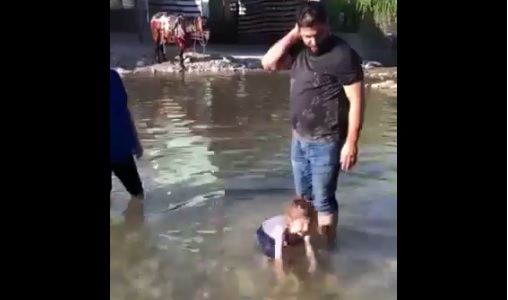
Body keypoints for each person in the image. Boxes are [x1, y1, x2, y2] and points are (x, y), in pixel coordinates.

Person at [261, 2, 365, 248]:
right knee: (303, 200)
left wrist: (351, 143)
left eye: (318, 34)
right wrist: (295, 35)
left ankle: (329, 246)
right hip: (299, 139)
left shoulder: (343, 55)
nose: (314, 42)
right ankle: (308, 242)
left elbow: (357, 101)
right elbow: (268, 63)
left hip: (327, 142)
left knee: (323, 200)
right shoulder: (298, 48)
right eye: (308, 36)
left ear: (328, 27)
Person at [255, 197, 318, 281]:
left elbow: (310, 252)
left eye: (308, 223)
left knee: (297, 252)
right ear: (290, 222)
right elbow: (278, 258)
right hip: (266, 234)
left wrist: (313, 268)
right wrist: (282, 277)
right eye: (302, 224)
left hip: (288, 232)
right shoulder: (279, 229)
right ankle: (267, 260)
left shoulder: (303, 230)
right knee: (274, 253)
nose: (306, 228)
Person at [110, 69, 144, 204]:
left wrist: (136, 141)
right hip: (120, 147)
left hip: (121, 147)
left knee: (138, 194)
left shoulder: (113, 76)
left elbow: (124, 110)